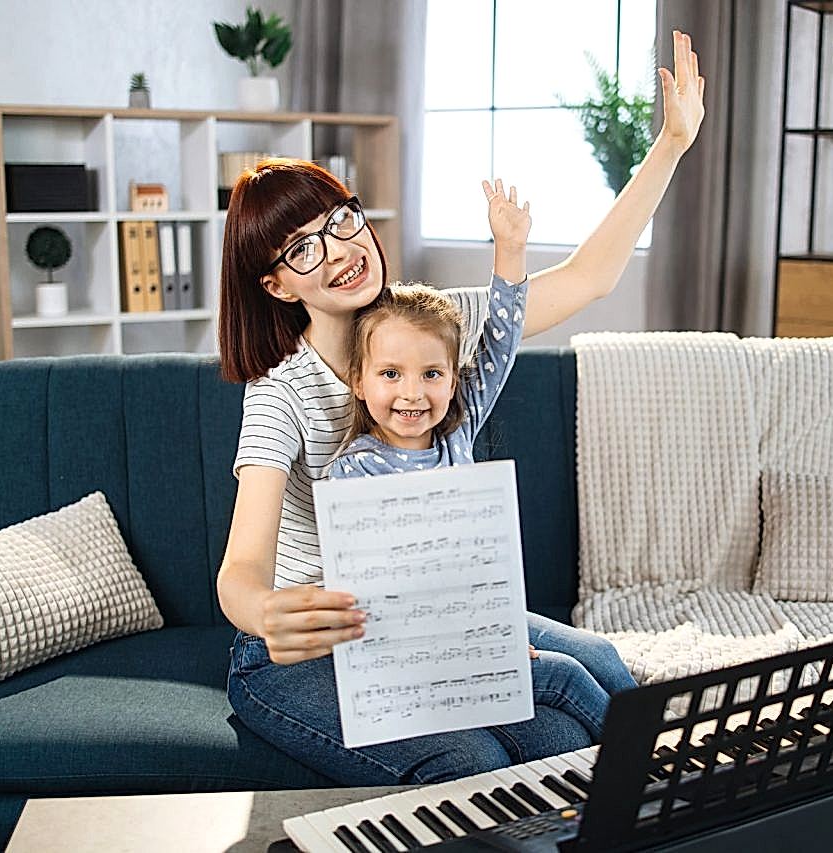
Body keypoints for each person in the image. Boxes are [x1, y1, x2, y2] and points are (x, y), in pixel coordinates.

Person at [218, 30, 705, 786]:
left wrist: (670, 146)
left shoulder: (428, 327)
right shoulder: (282, 391)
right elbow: (241, 567)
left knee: (588, 679)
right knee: (473, 758)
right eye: (301, 249)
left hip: (429, 623)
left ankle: (671, 805)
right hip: (306, 650)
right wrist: (263, 610)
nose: (339, 250)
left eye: (340, 221)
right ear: (278, 286)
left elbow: (590, 276)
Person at [328, 180, 634, 743]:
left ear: (452, 379)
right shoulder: (355, 470)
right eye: (390, 374)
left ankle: (660, 759)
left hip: (481, 624)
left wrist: (510, 253)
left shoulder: (457, 431)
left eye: (431, 374)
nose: (412, 394)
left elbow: (501, 338)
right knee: (564, 675)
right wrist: (478, 639)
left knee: (601, 654)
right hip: (417, 648)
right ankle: (646, 770)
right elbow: (376, 592)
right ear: (360, 381)